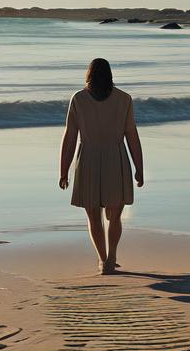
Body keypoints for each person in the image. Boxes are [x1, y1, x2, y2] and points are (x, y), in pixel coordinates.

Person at [58, 57, 144, 274]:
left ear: (89, 75)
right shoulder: (124, 99)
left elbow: (70, 138)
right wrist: (139, 168)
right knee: (115, 215)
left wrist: (63, 171)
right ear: (110, 75)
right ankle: (112, 256)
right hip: (116, 158)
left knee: (93, 216)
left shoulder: (78, 99)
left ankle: (102, 259)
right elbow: (131, 135)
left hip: (88, 159)